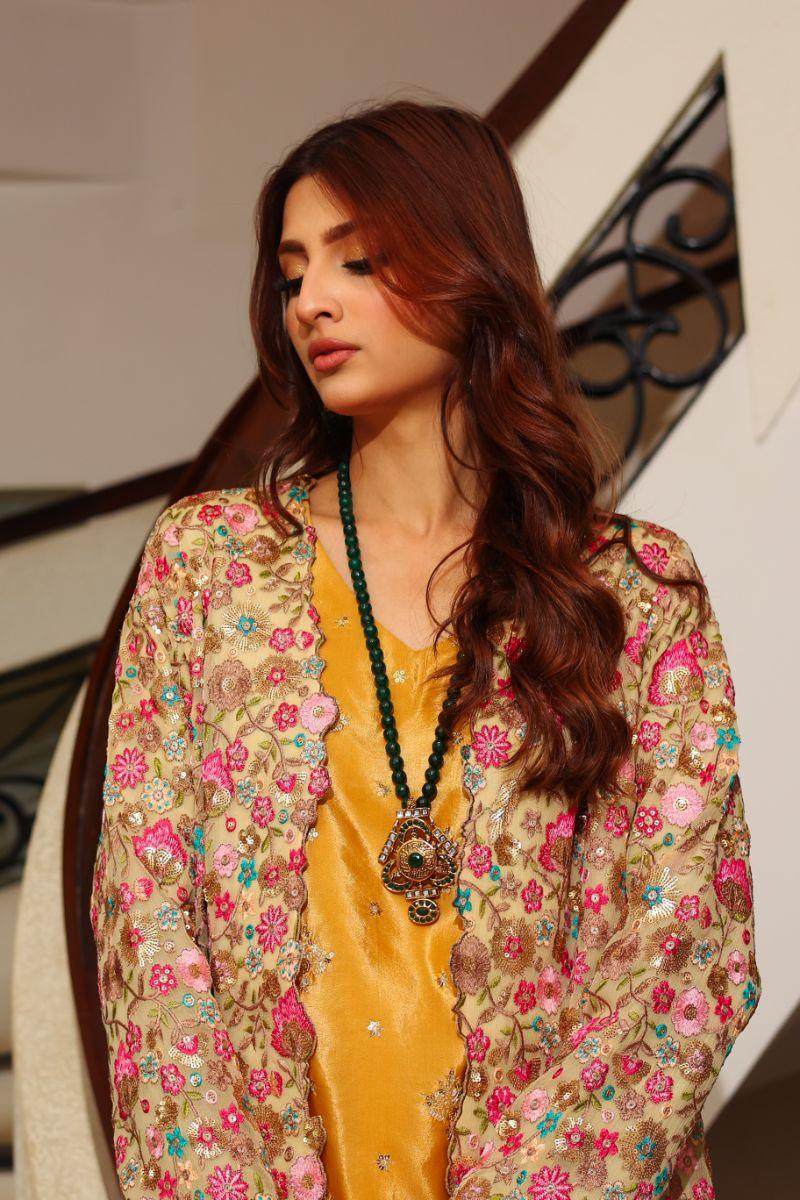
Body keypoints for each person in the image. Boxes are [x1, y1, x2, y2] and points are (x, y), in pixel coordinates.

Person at [89, 99, 761, 1200]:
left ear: (469, 267)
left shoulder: (632, 593)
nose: (311, 300)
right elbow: (147, 926)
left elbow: (683, 958)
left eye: (356, 261)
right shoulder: (206, 567)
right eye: (292, 274)